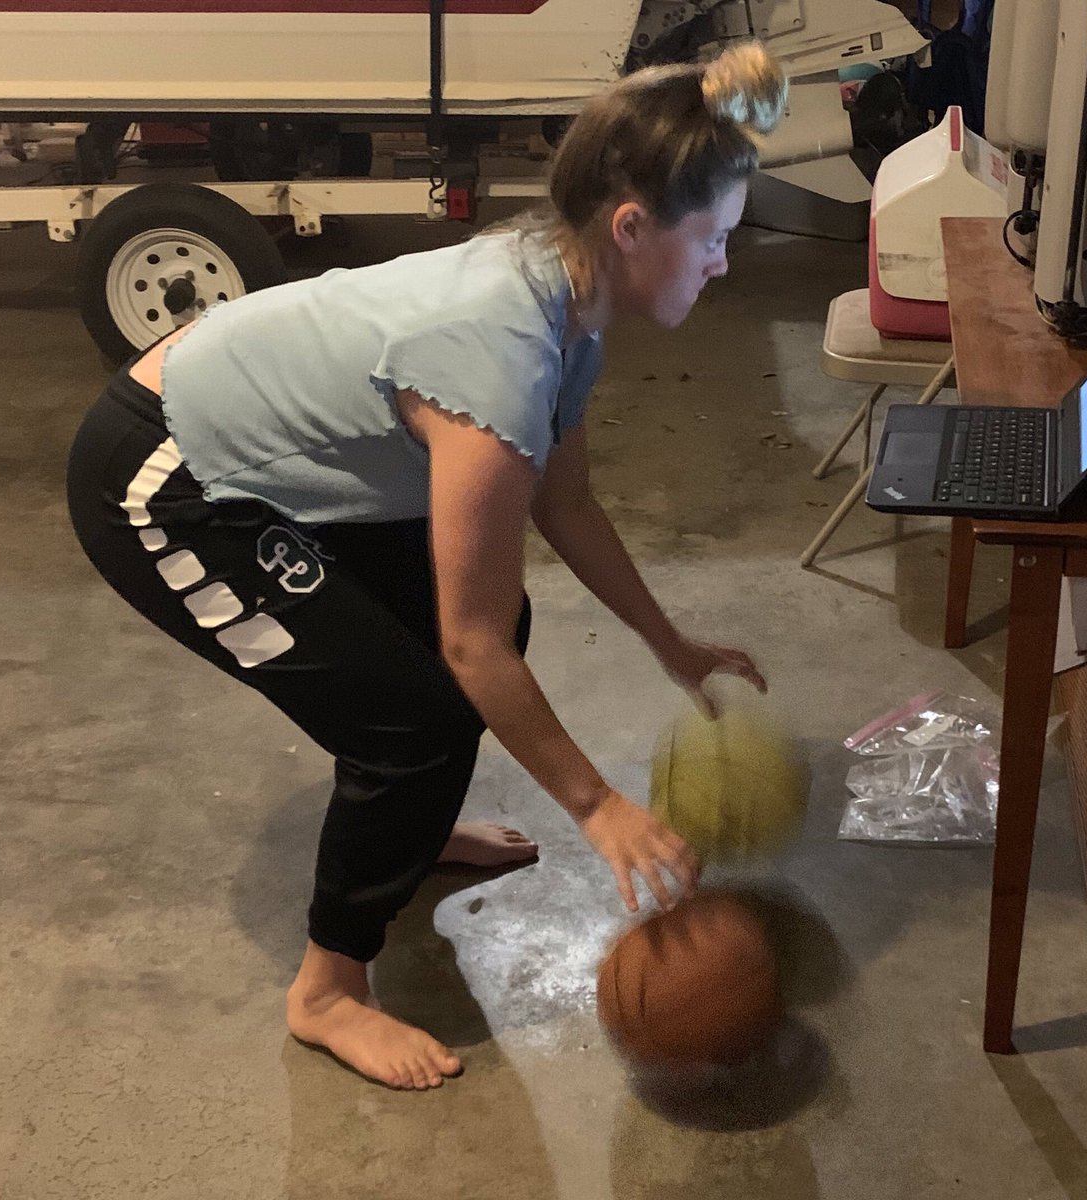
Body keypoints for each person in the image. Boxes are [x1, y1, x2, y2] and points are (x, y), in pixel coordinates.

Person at [65, 42, 787, 1092]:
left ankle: (409, 832)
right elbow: (467, 644)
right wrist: (597, 808)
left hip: (271, 454)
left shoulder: (569, 297)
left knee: (483, 649)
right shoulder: (498, 352)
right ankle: (325, 994)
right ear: (632, 227)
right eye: (713, 236)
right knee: (413, 712)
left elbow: (565, 501)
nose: (724, 259)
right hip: (163, 478)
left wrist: (667, 642)